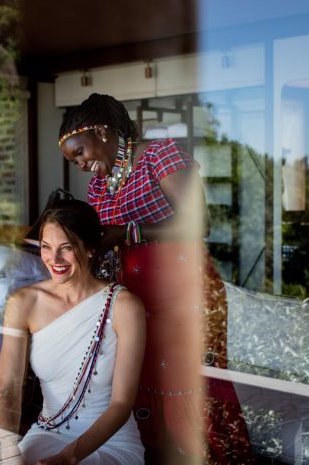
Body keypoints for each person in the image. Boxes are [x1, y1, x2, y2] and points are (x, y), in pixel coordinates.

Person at [58, 93, 253, 464]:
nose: (80, 164)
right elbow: (107, 240)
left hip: (185, 295)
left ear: (101, 131)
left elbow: (200, 222)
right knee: (144, 385)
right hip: (136, 301)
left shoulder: (159, 156)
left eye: (80, 153)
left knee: (190, 386)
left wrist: (128, 234)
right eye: (73, 160)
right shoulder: (98, 187)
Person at [0, 199, 146, 465]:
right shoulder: (23, 303)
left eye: (66, 248)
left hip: (110, 441)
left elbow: (121, 405)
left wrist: (69, 457)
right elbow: (8, 388)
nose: (54, 260)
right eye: (46, 247)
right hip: (48, 430)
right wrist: (10, 453)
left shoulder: (124, 306)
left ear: (89, 248)